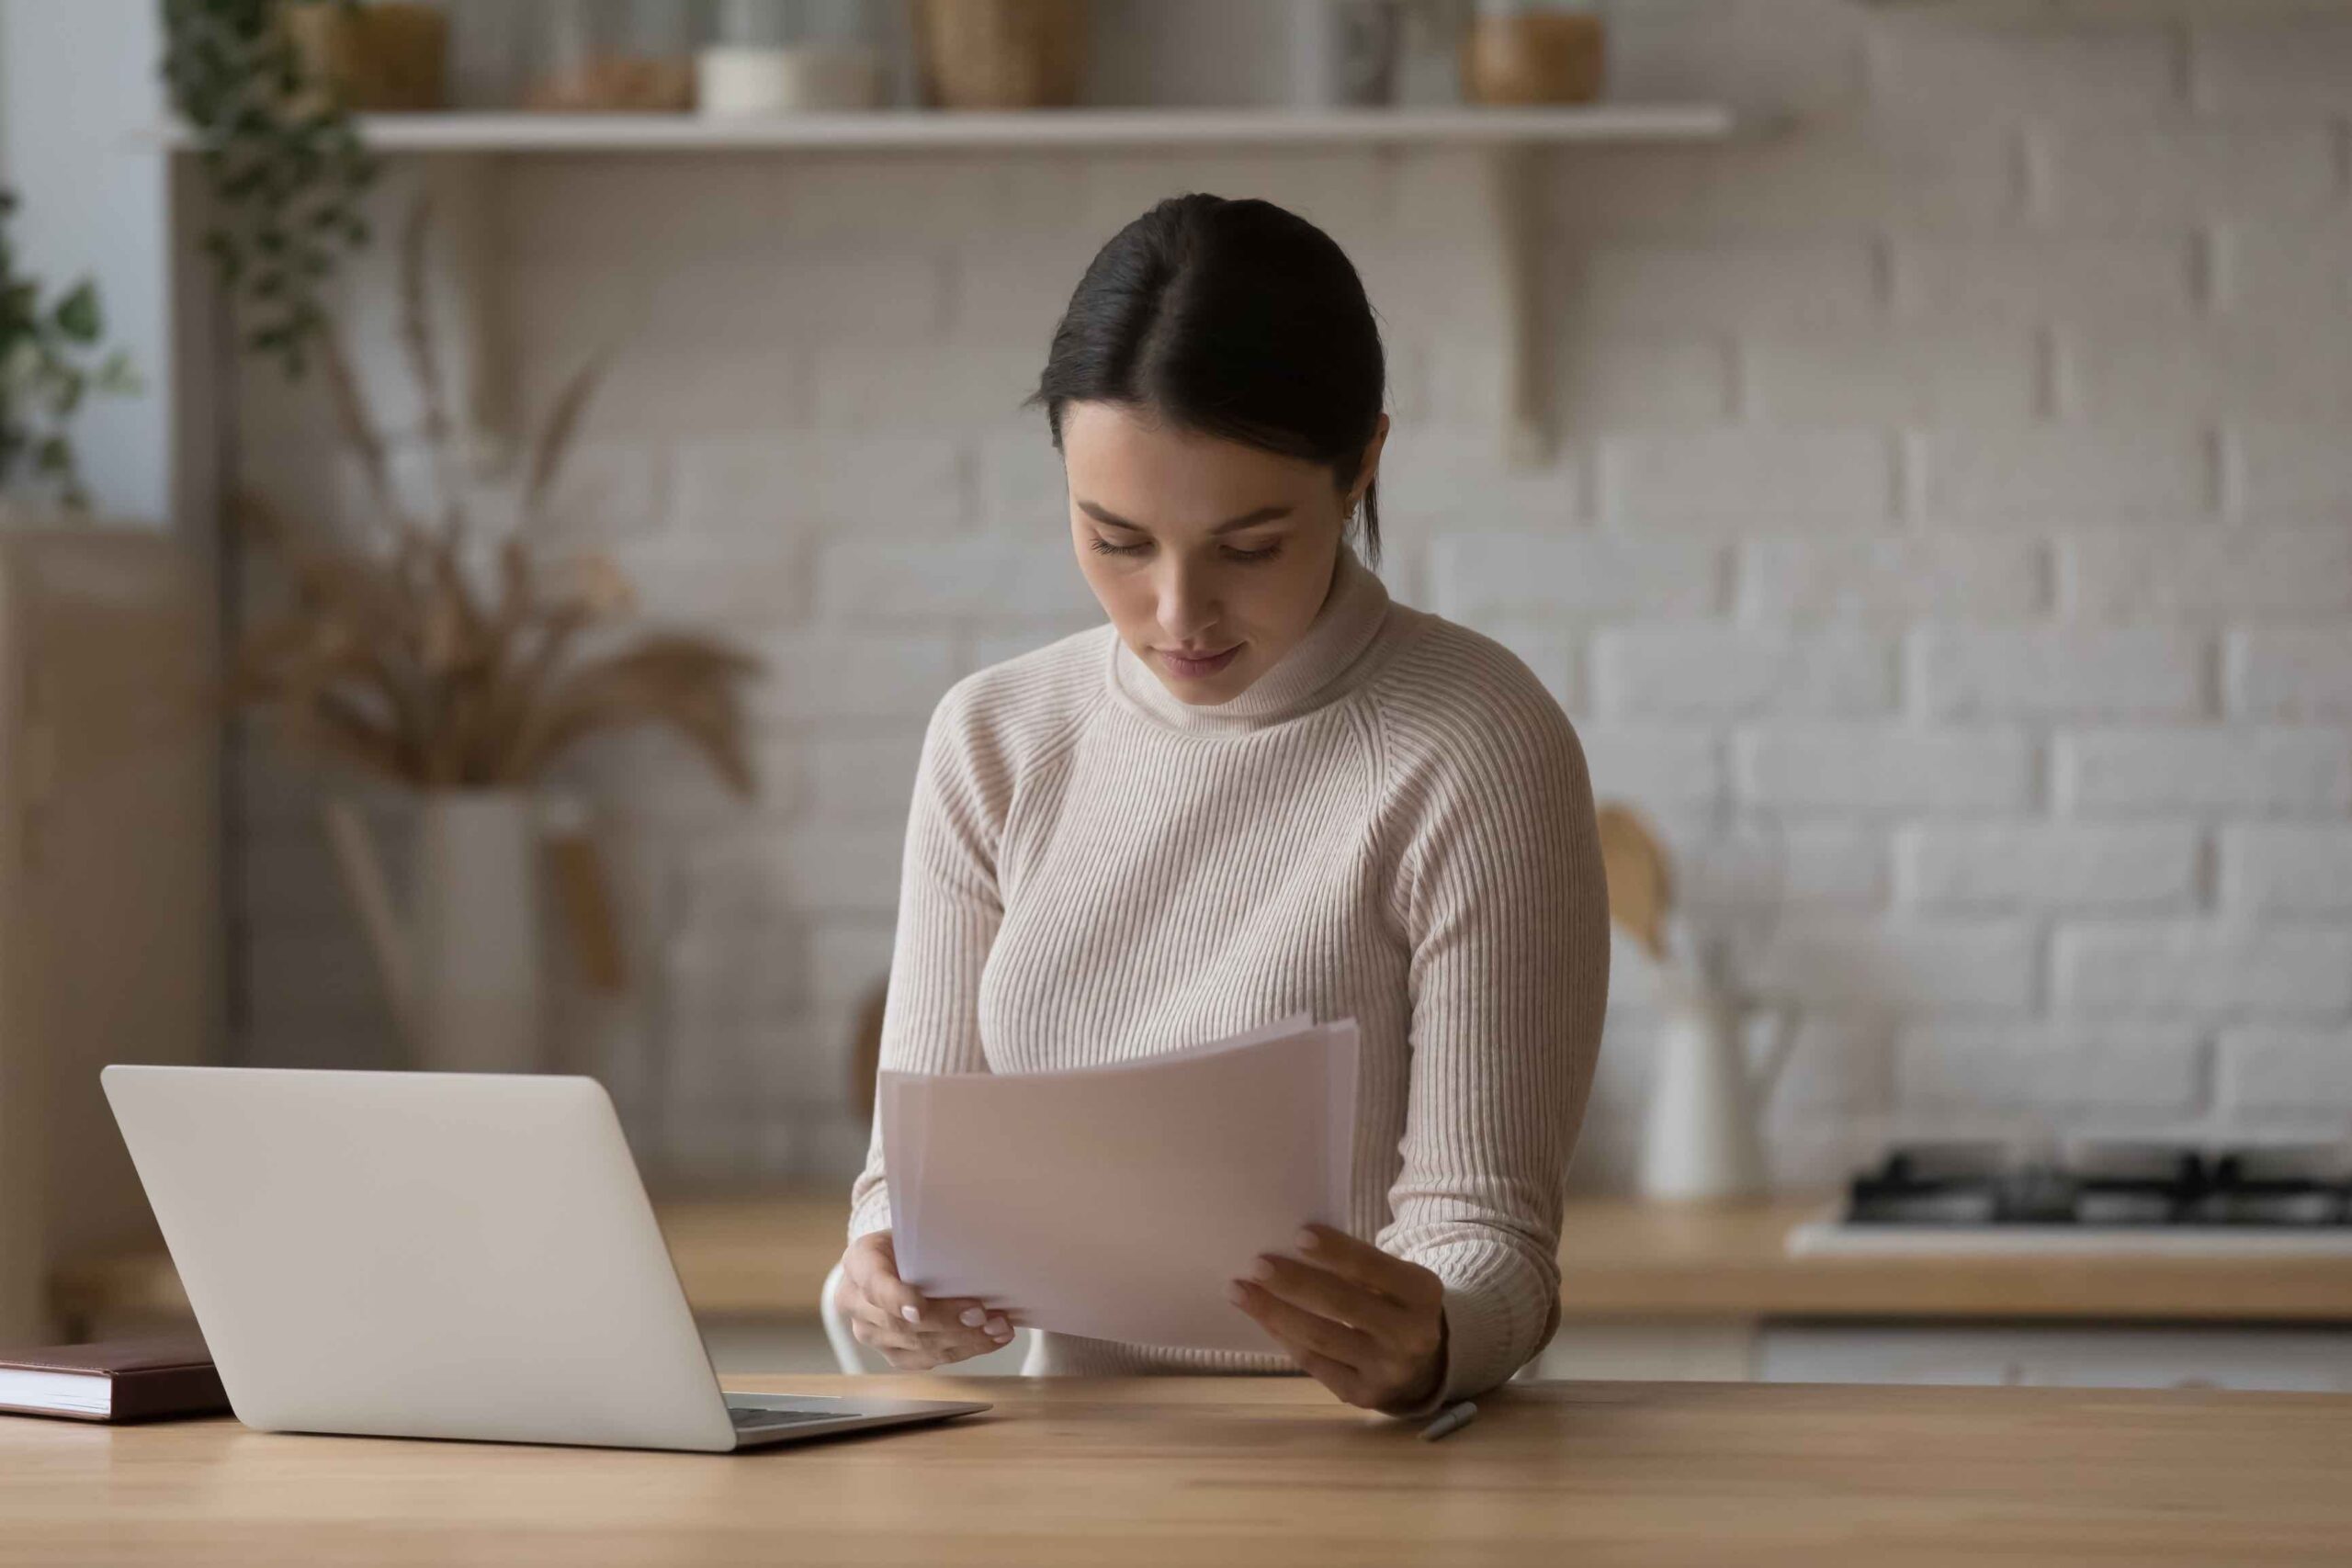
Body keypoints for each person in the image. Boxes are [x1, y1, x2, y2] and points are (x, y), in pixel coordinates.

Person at [834, 193, 1610, 1420]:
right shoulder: (992, 740)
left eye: (1249, 546)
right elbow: (904, 1197)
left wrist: (1434, 1340)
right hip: (1068, 1477)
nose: (1178, 615)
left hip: (1369, 1474)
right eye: (1117, 542)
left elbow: (1493, 1244)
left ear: (1363, 465)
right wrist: (880, 1286)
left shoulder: (1476, 744)